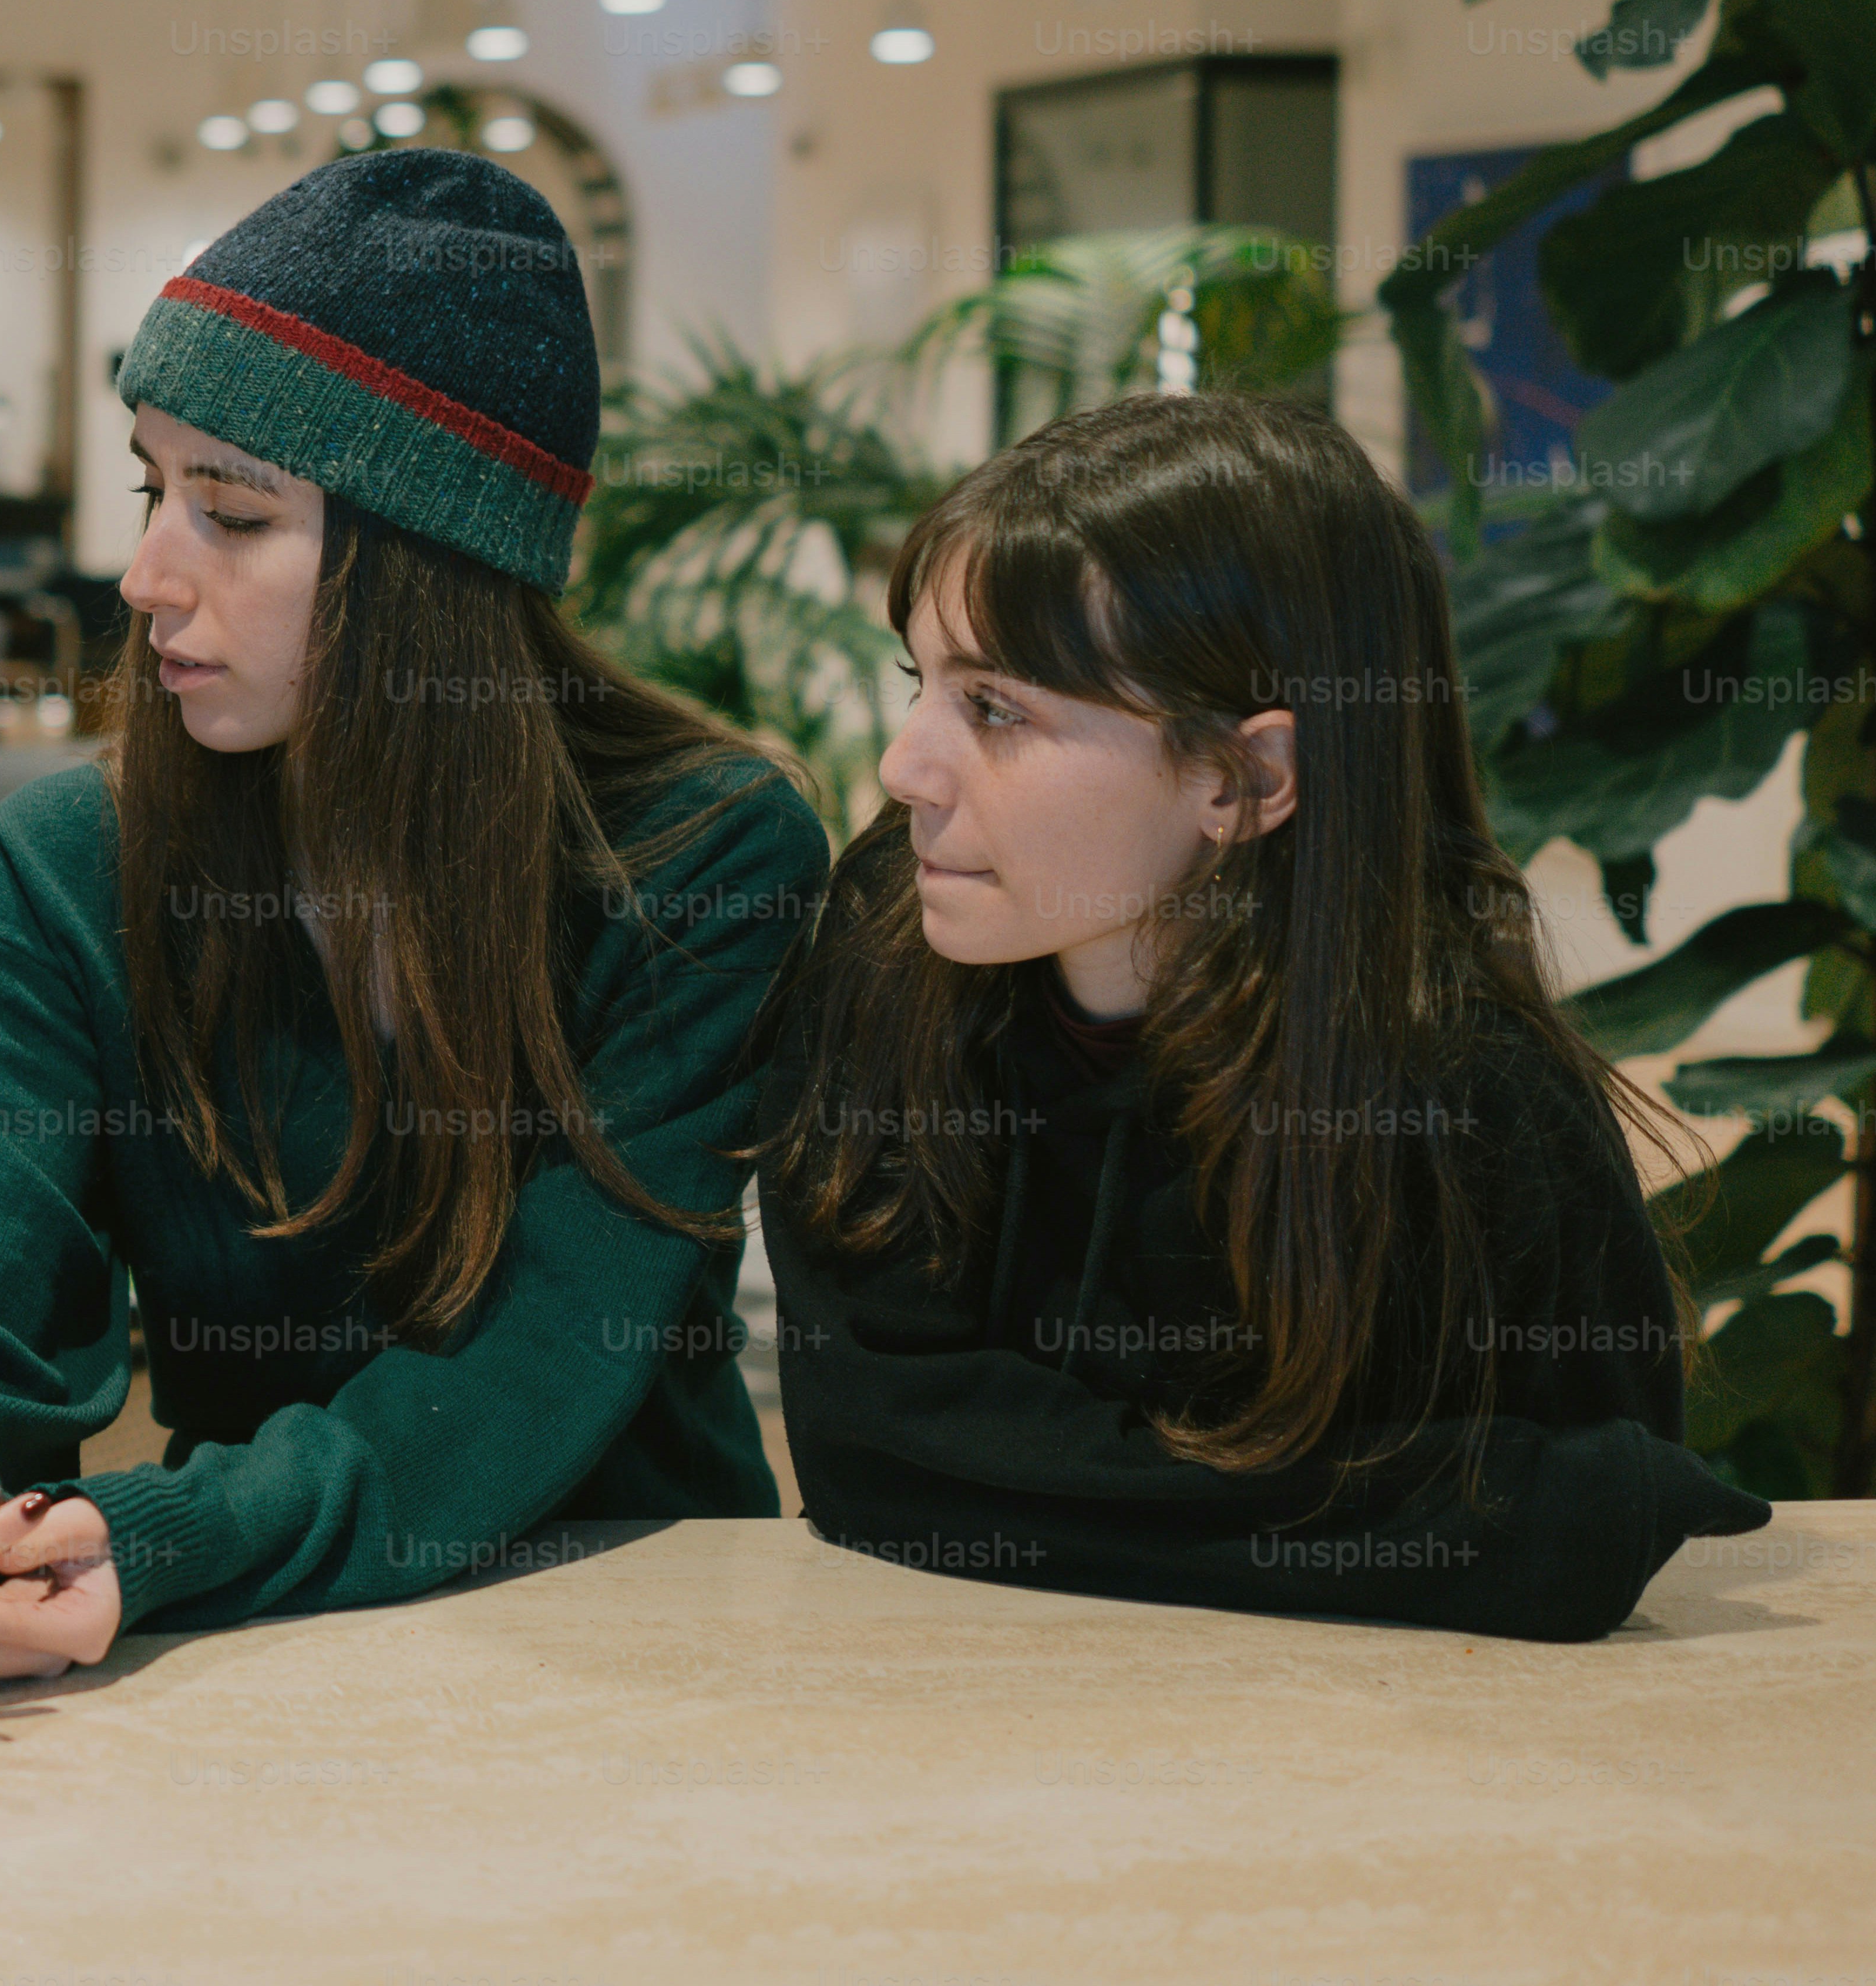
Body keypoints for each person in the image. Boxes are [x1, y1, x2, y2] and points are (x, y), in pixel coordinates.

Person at [0, 150, 825, 1679]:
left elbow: (532, 1368)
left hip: (627, 1639)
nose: (146, 575)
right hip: (265, 1655)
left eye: (231, 513)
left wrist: (168, 1538)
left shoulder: (698, 858)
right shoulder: (58, 868)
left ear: (430, 563)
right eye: (155, 490)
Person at [757, 392, 1768, 1638]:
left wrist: (1035, 1477)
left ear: (1244, 778)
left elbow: (1589, 1528)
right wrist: (1440, 1524)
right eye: (923, 682)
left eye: (996, 709)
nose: (903, 767)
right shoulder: (883, 943)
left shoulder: (1465, 1093)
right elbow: (874, 1459)